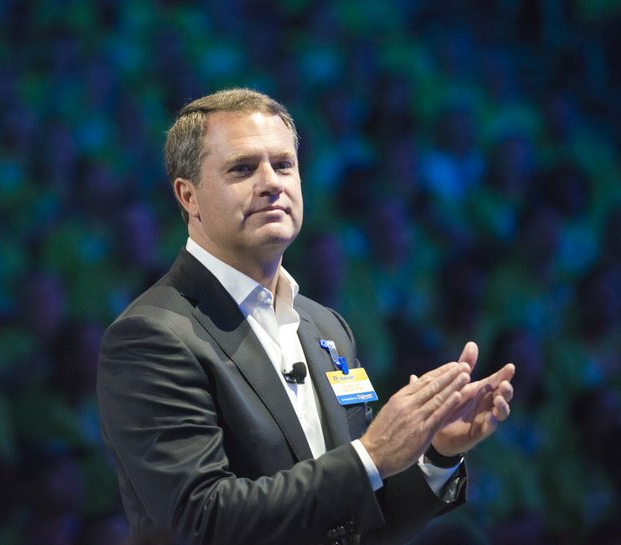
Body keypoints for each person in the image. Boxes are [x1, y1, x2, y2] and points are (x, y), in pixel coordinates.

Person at [97, 88, 515, 545]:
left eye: (283, 165)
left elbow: (360, 519)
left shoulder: (328, 328)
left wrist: (435, 453)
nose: (271, 182)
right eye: (242, 168)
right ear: (188, 195)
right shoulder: (152, 337)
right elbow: (203, 520)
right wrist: (370, 456)